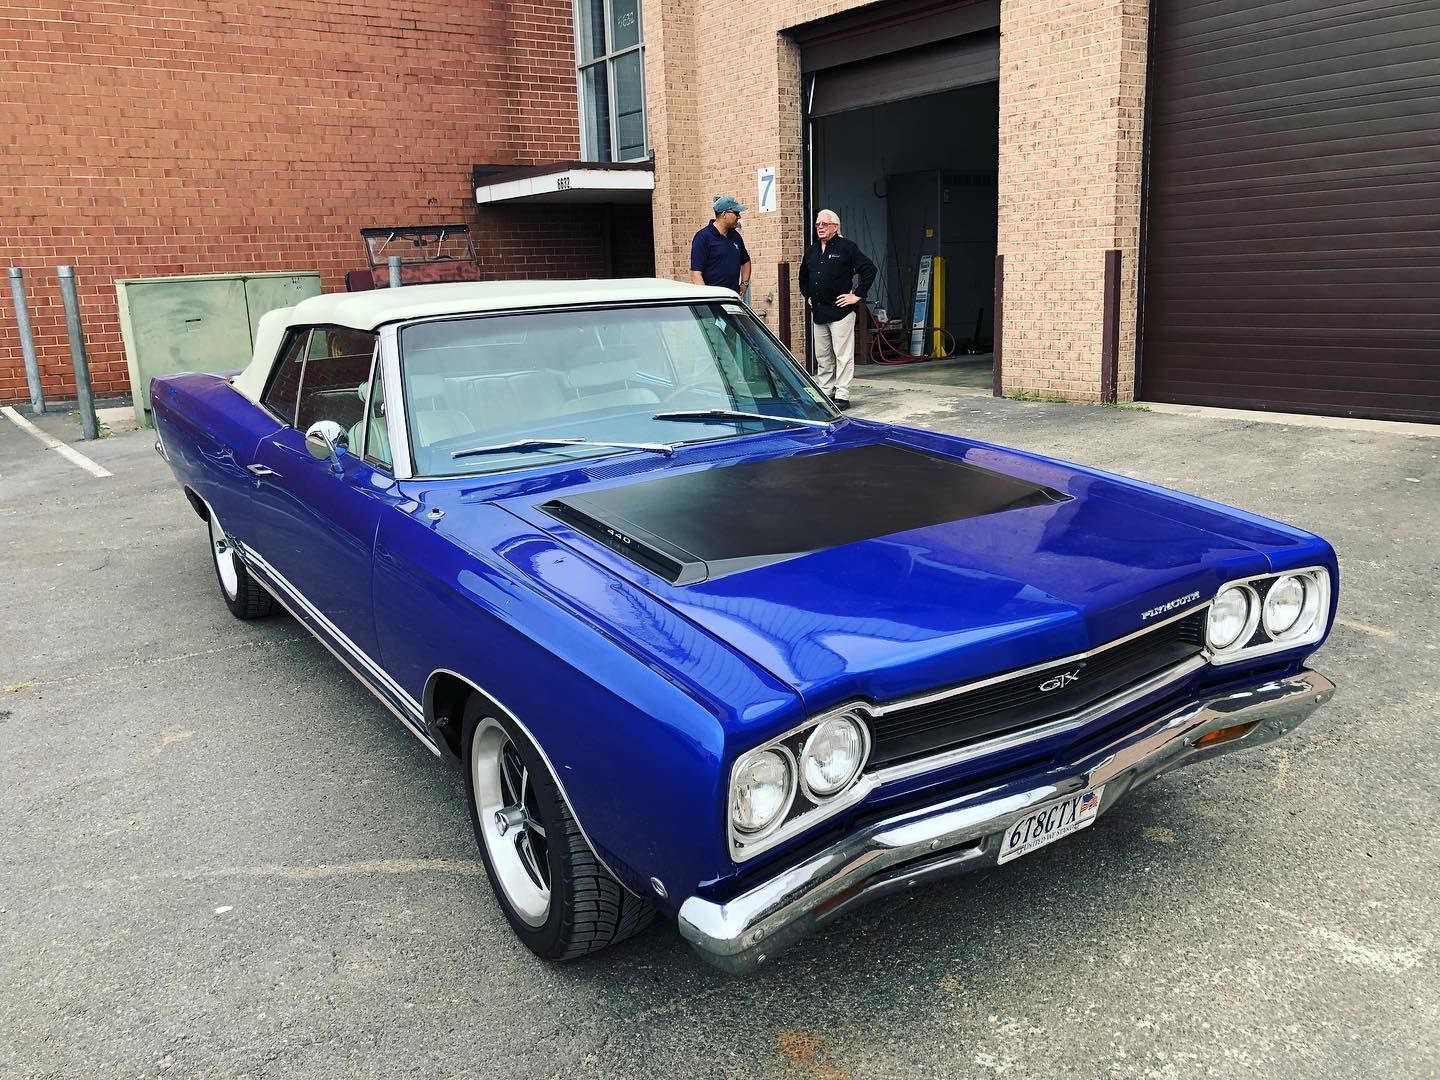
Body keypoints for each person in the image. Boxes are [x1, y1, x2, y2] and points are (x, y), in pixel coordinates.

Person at [798, 208, 876, 410]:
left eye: (824, 224)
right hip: (820, 312)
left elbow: (869, 270)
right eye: (817, 224)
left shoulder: (847, 247)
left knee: (843, 355)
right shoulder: (812, 251)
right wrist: (808, 295)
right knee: (823, 355)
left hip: (841, 312)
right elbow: (803, 277)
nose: (820, 228)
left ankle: (842, 394)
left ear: (835, 226)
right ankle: (826, 391)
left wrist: (856, 296)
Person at [690, 195, 752, 295]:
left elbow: (745, 261)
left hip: (732, 299)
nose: (739, 216)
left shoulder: (735, 236)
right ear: (724, 214)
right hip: (713, 301)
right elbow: (696, 275)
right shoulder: (703, 237)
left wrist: (744, 284)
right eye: (736, 213)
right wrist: (707, 299)